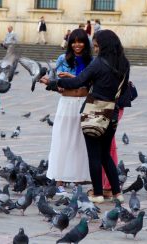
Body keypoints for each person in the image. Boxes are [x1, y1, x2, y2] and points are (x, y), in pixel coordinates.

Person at [41, 30, 129, 204]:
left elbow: (77, 83)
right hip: (111, 113)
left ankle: (97, 193)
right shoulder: (124, 64)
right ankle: (118, 193)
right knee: (106, 155)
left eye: (96, 45)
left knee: (94, 155)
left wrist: (53, 83)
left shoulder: (98, 64)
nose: (95, 49)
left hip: (94, 112)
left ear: (104, 45)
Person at [46, 29, 92, 195]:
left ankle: (77, 179)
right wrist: (55, 82)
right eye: (74, 41)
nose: (77, 45)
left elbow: (91, 84)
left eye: (80, 41)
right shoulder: (62, 59)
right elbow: (55, 83)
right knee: (62, 140)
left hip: (85, 103)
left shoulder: (91, 61)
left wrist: (72, 79)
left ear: (86, 43)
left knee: (80, 142)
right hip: (67, 103)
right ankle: (59, 181)